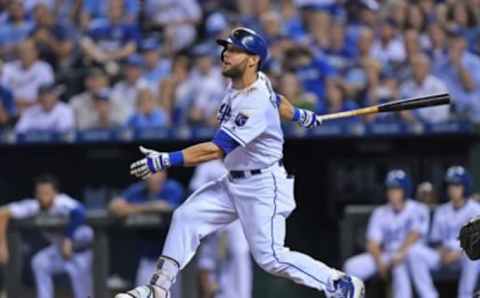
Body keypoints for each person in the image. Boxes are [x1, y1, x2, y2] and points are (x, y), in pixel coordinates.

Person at [117, 27, 364, 298]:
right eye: (227, 48)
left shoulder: (253, 102)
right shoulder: (248, 81)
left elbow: (215, 149)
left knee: (271, 258)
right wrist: (299, 115)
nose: (226, 54)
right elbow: (277, 99)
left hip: (262, 186)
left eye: (235, 50)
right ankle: (158, 289)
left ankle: (339, 283)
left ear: (252, 59)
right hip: (233, 182)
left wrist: (166, 159)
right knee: (186, 216)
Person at [0, 174, 93, 298]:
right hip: (59, 251)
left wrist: (68, 239)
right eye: (39, 193)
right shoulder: (34, 206)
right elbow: (3, 212)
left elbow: (80, 212)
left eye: (46, 193)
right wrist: (1, 244)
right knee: (39, 262)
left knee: (83, 294)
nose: (42, 196)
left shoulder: (62, 202)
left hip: (80, 252)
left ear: (55, 193)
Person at [344, 170, 430, 298]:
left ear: (405, 190)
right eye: (390, 189)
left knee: (400, 269)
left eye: (396, 189)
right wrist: (380, 263)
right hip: (387, 255)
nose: (392, 193)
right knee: (351, 267)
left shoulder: (418, 209)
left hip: (411, 254)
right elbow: (373, 243)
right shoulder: (380, 213)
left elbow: (414, 235)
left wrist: (398, 255)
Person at [407, 166, 480, 298]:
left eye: (457, 185)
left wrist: (457, 254)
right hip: (443, 254)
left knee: (474, 257)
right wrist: (443, 253)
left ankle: (465, 296)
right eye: (450, 185)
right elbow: (436, 241)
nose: (453, 189)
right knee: (414, 252)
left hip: (464, 255)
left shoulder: (475, 209)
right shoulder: (442, 210)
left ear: (465, 187)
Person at [109, 172, 184, 298]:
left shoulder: (172, 188)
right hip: (148, 259)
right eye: (149, 174)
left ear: (164, 174)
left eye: (156, 173)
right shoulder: (139, 190)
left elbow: (165, 207)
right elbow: (114, 206)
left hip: (173, 261)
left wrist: (132, 209)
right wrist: (146, 208)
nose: (152, 177)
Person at [191, 160, 252, 298]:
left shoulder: (246, 163)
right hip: (215, 229)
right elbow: (204, 266)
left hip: (236, 227)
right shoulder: (207, 166)